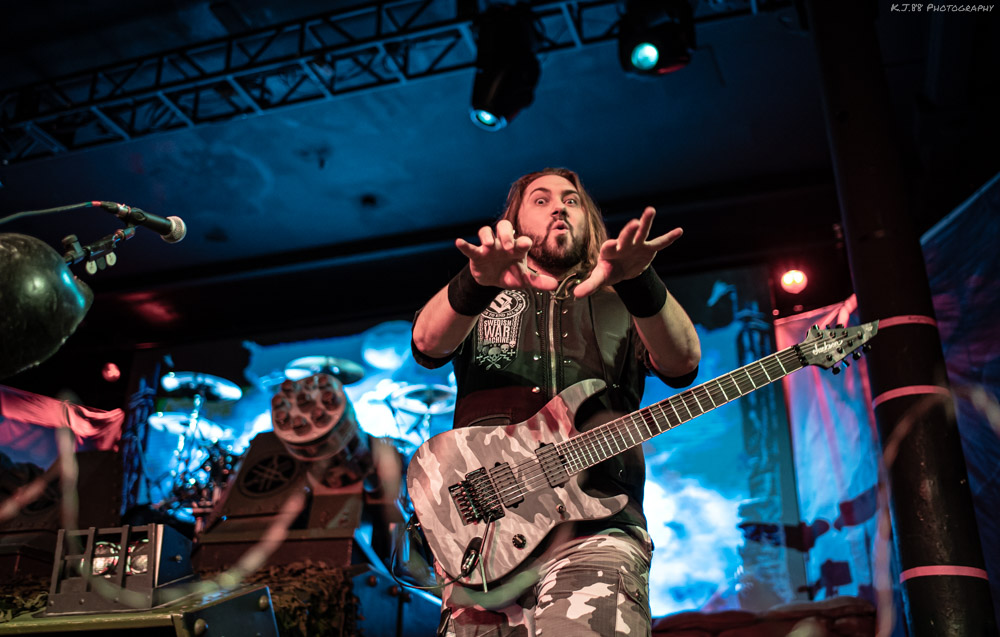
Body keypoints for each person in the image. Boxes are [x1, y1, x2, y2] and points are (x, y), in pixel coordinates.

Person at [410, 167, 701, 636]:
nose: (560, 207)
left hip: (596, 525)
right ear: (516, 220)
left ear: (588, 220)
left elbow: (682, 363)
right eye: (541, 200)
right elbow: (426, 344)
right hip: (484, 537)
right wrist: (475, 281)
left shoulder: (621, 299)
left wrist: (640, 281)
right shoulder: (482, 293)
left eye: (572, 200)